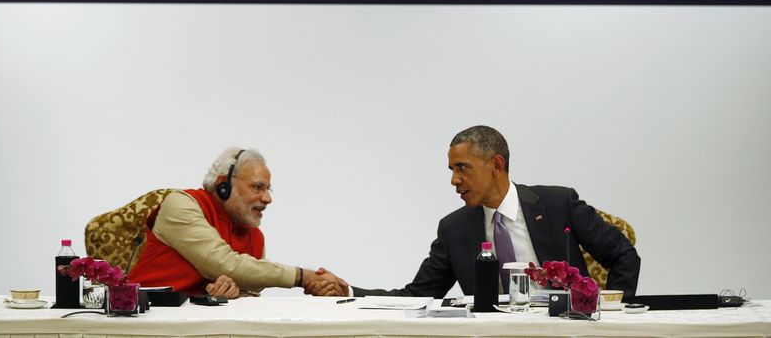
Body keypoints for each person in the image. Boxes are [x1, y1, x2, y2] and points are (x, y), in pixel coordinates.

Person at [317, 126, 640, 298]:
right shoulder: (455, 229)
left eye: (462, 168)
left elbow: (623, 255)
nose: (454, 180)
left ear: (496, 165)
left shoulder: (557, 204)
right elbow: (418, 295)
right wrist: (350, 291)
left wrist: (610, 312)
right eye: (451, 169)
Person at [129, 147, 348, 298]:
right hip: (148, 320)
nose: (268, 199)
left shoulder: (255, 236)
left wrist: (231, 294)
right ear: (223, 184)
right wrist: (303, 277)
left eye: (268, 190)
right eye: (257, 187)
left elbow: (248, 291)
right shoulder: (181, 204)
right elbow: (225, 264)